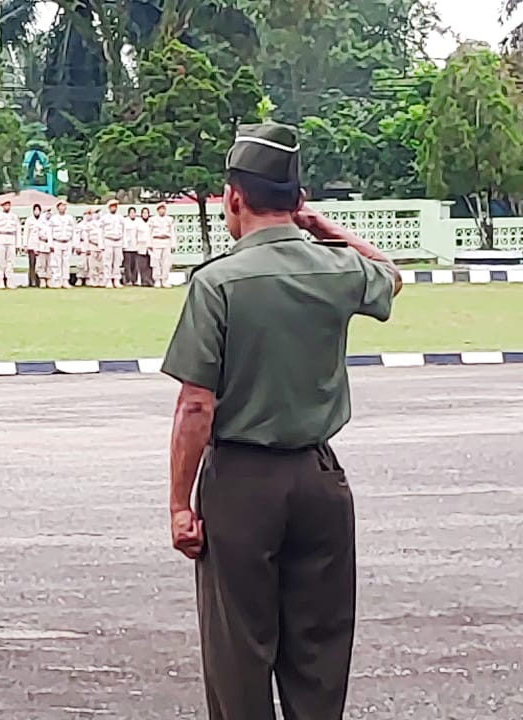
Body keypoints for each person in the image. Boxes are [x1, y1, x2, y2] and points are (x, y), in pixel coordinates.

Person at [160, 123, 402, 720]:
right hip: (319, 480)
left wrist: (178, 503)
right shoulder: (336, 270)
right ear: (298, 201)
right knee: (318, 653)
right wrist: (327, 231)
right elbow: (392, 275)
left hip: (242, 482)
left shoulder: (217, 281)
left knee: (239, 654)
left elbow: (196, 404)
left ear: (232, 198)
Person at [0, 199, 19, 289]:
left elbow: (18, 231)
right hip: (1, 238)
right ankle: (0, 281)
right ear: (2, 206)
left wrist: (18, 245)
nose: (7, 207)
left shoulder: (14, 216)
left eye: (8, 205)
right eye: (5, 205)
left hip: (11, 239)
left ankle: (9, 281)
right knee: (0, 262)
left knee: (10, 262)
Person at [147, 202, 177, 288]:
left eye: (163, 209)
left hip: (166, 241)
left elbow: (172, 232)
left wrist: (173, 244)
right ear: (157, 210)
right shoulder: (152, 220)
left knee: (166, 262)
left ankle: (164, 279)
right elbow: (149, 232)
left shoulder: (169, 219)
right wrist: (149, 243)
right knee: (156, 261)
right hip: (156, 241)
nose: (162, 211)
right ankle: (157, 279)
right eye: (160, 209)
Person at [47, 201, 75, 289]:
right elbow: (49, 232)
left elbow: (74, 231)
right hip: (57, 242)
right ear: (58, 208)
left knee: (66, 262)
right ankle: (57, 280)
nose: (62, 208)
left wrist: (74, 244)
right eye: (61, 206)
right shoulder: (53, 219)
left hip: (67, 242)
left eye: (64, 206)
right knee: (57, 262)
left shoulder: (70, 218)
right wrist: (50, 244)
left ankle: (65, 280)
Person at [98, 198, 124, 289]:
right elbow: (100, 232)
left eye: (115, 206)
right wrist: (101, 244)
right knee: (107, 262)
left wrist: (123, 244)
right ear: (109, 208)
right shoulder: (104, 218)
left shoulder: (120, 218)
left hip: (118, 241)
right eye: (112, 206)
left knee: (117, 261)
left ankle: (116, 279)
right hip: (108, 240)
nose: (114, 208)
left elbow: (123, 231)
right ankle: (108, 279)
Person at [23, 204, 47, 288]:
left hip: (41, 245)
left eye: (38, 210)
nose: (36, 211)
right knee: (32, 264)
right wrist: (25, 245)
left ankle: (39, 280)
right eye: (35, 210)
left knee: (40, 264)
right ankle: (31, 281)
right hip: (31, 245)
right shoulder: (29, 220)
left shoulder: (43, 220)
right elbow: (26, 233)